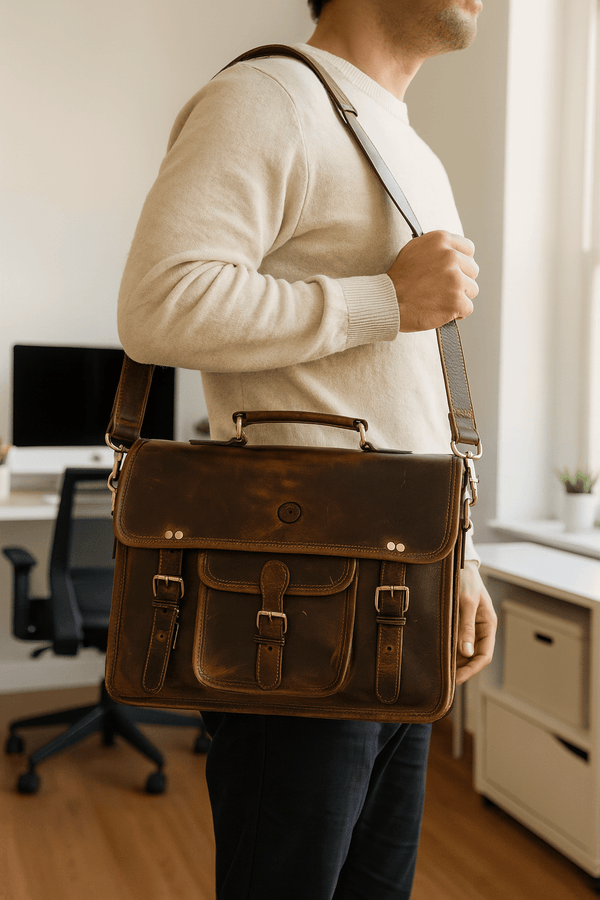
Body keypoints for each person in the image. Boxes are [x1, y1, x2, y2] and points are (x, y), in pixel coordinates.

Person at [117, 1, 497, 897]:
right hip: (295, 593)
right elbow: (157, 306)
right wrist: (384, 300)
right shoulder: (268, 95)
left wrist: (462, 557)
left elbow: (406, 391)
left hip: (405, 591)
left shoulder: (410, 145)